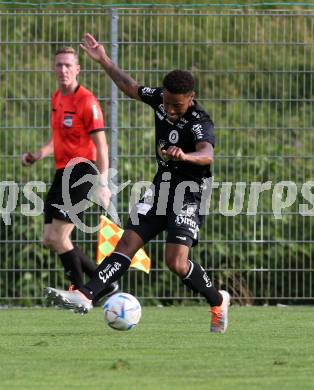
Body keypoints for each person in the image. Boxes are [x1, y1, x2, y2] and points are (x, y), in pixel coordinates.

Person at [44, 35, 230, 333]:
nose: (169, 110)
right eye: (167, 103)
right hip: (161, 189)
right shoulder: (161, 98)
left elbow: (207, 154)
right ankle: (85, 294)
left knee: (176, 263)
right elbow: (129, 86)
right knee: (127, 243)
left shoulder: (199, 120)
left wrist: (186, 155)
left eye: (176, 106)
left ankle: (218, 300)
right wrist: (103, 59)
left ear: (191, 97)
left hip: (190, 194)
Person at [22, 46, 118, 300]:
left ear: (77, 69)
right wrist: (37, 155)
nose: (63, 70)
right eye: (59, 65)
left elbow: (102, 145)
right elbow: (57, 139)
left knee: (60, 236)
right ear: (54, 69)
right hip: (62, 172)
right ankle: (102, 284)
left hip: (82, 171)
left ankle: (82, 294)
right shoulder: (57, 98)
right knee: (50, 238)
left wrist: (103, 183)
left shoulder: (87, 101)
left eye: (68, 65)